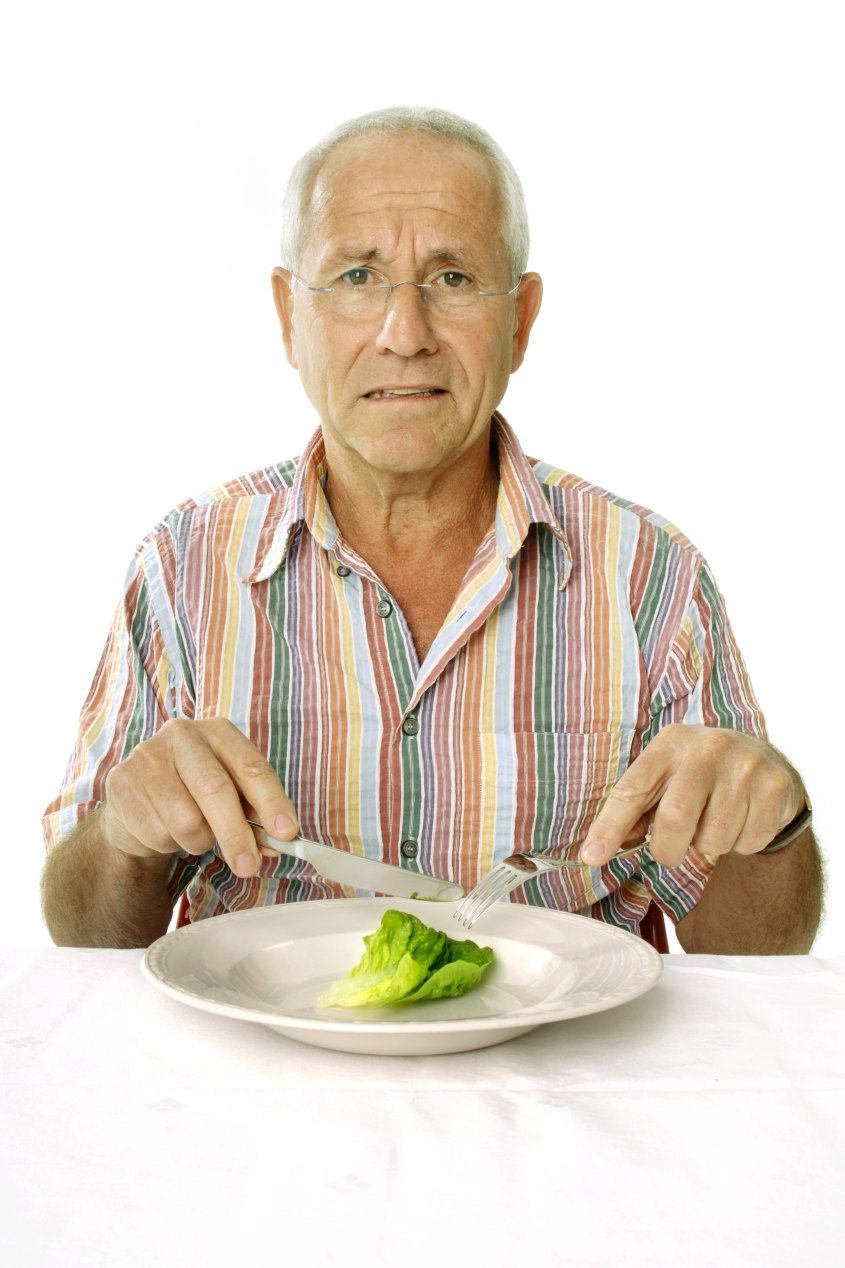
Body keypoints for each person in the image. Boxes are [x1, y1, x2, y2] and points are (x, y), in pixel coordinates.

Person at [41, 106, 822, 953]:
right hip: (258, 1083)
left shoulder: (650, 578)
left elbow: (757, 961)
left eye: (452, 279)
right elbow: (83, 939)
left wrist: (772, 828)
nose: (403, 334)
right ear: (287, 316)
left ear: (519, 321)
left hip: (569, 1080)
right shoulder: (184, 567)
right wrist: (124, 837)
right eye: (354, 277)